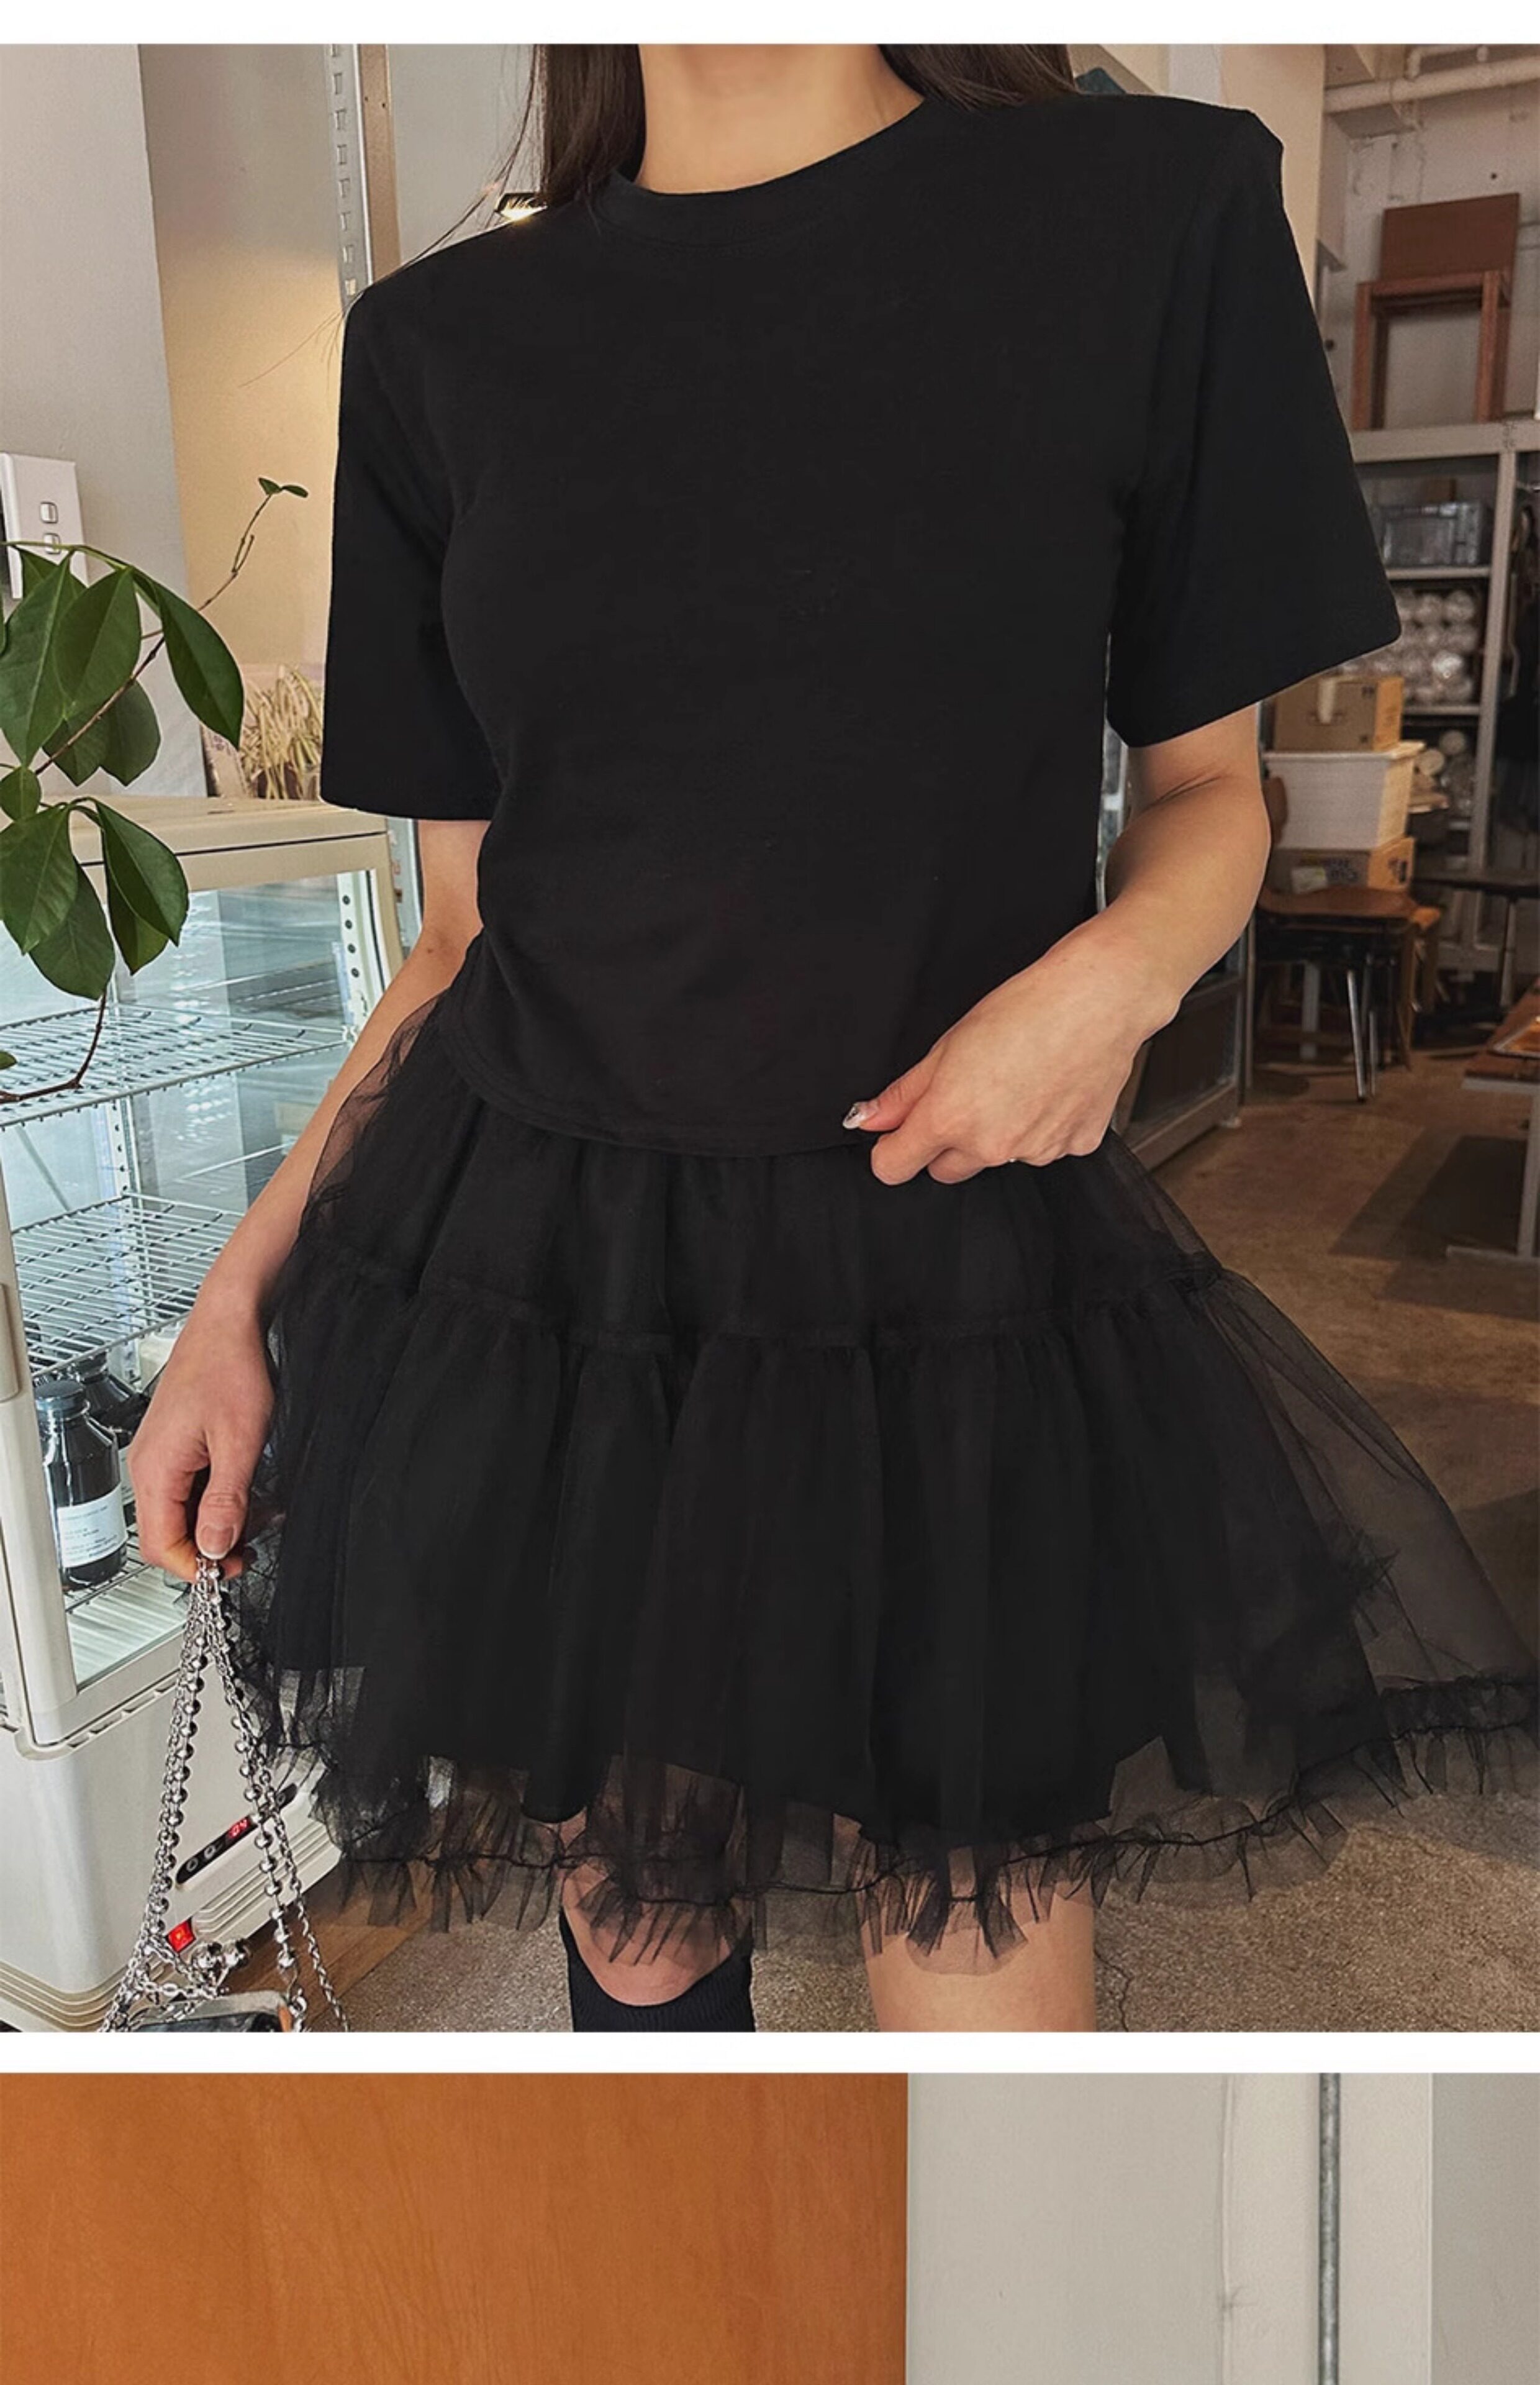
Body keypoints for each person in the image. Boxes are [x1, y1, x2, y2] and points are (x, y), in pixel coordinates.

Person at [131, 43, 1536, 2033]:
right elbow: (459, 941)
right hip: (565, 1275)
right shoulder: (441, 346)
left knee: (973, 1911)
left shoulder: (1144, 214)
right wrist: (234, 1300)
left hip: (943, 1236)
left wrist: (1115, 980)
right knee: (637, 1933)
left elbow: (1216, 797)